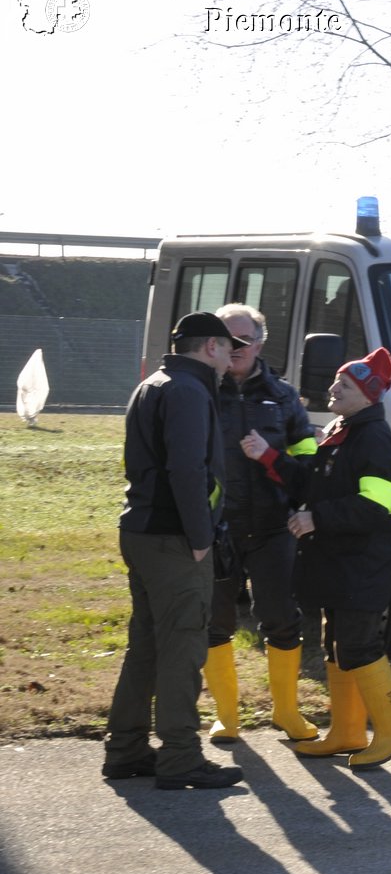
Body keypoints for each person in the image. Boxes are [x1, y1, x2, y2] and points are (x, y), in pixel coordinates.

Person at [244, 347, 391, 770]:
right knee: (336, 648)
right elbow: (310, 485)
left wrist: (316, 517)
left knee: (359, 645)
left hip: (363, 564)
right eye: (337, 381)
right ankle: (348, 732)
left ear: (368, 395)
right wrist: (268, 455)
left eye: (345, 384)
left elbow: (378, 506)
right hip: (338, 561)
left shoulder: (374, 439)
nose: (332, 388)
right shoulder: (345, 431)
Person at [104, 312, 249, 790]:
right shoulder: (189, 390)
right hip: (175, 540)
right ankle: (180, 758)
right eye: (229, 349)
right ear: (210, 347)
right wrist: (202, 538)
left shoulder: (155, 383)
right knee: (182, 649)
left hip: (144, 532)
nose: (233, 358)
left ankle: (125, 751)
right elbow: (187, 471)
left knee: (145, 647)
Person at [201, 303, 320, 746]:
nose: (234, 349)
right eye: (225, 341)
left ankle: (286, 713)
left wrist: (278, 465)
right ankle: (226, 717)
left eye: (243, 341)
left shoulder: (284, 396)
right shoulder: (200, 389)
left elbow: (308, 459)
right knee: (216, 623)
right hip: (217, 529)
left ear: (260, 344)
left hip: (273, 528)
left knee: (282, 622)